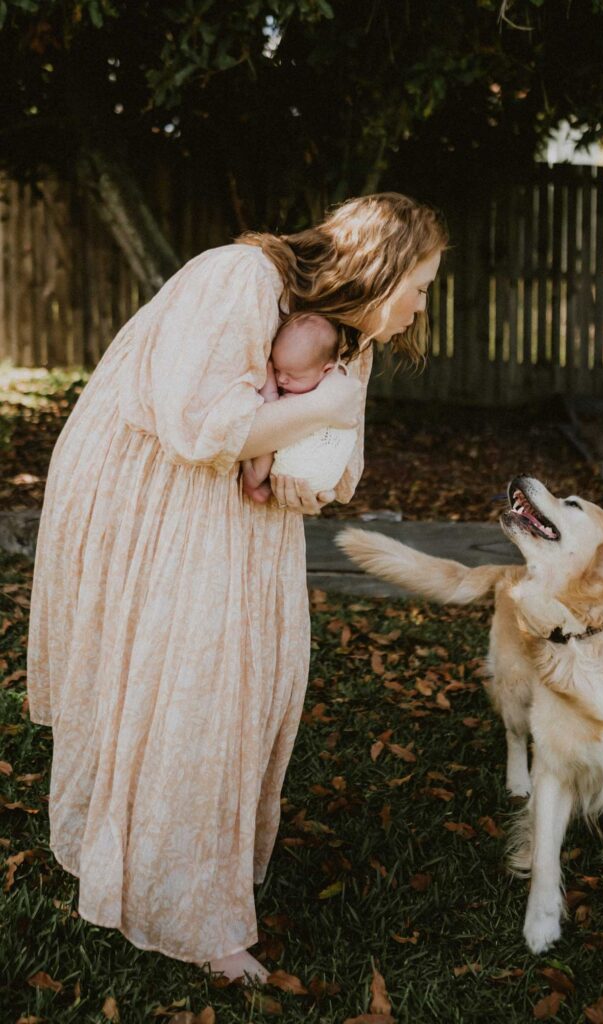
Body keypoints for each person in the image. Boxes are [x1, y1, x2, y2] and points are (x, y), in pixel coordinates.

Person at [26, 192, 447, 984]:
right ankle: (197, 916)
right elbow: (198, 425)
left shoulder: (346, 343)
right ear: (381, 267)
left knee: (245, 686)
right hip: (153, 496)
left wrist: (310, 437)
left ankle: (168, 866)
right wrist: (317, 408)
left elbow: (315, 472)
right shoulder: (240, 277)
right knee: (195, 688)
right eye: (420, 284)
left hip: (230, 511)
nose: (423, 304)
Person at [242, 313, 342, 504]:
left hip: (302, 455)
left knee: (268, 447)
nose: (281, 380)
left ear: (327, 370)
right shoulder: (320, 381)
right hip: (297, 459)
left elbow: (270, 399)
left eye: (293, 376)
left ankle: (253, 480)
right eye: (277, 370)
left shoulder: (328, 391)